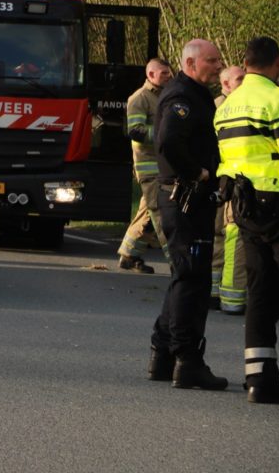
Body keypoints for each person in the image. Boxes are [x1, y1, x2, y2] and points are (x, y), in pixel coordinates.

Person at [213, 37, 279, 403]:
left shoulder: (227, 107)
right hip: (278, 204)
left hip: (243, 206)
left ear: (245, 64)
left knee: (261, 290)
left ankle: (260, 379)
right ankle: (263, 380)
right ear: (277, 64)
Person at [147, 38, 227, 390]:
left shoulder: (195, 93)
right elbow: (167, 142)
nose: (218, 66)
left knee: (185, 277)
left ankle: (162, 356)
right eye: (212, 60)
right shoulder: (182, 96)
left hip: (189, 199)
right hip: (184, 198)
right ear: (191, 63)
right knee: (193, 280)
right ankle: (187, 360)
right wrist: (197, 173)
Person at [116, 58, 173, 274]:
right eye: (164, 74)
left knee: (146, 212)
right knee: (161, 214)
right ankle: (176, 263)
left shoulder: (165, 96)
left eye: (169, 73)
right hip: (149, 168)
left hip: (163, 165)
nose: (169, 77)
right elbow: (136, 130)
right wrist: (166, 134)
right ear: (150, 75)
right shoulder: (139, 98)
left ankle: (129, 254)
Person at [212, 64, 248, 313]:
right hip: (225, 181)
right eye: (240, 79)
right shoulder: (220, 107)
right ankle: (226, 295)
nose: (245, 82)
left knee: (222, 237)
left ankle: (217, 292)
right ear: (225, 84)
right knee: (225, 237)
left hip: (226, 182)